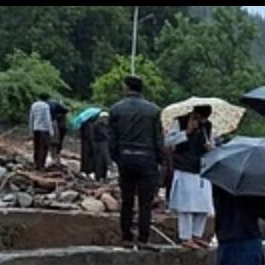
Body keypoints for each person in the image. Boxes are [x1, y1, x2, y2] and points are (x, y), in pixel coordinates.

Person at [109, 75, 164, 247]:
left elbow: (112, 139)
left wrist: (116, 158)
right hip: (147, 158)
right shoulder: (154, 111)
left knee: (127, 200)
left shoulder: (116, 109)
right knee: (145, 202)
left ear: (127, 87)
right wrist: (159, 161)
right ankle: (143, 238)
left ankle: (126, 236)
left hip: (125, 156)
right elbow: (158, 139)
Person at [169, 107, 215, 249]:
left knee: (203, 206)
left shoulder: (208, 126)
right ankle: (186, 237)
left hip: (201, 168)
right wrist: (186, 132)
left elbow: (214, 144)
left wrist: (210, 147)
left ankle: (197, 235)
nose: (202, 121)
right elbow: (168, 142)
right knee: (186, 207)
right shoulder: (179, 122)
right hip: (184, 168)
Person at [29, 93, 53, 171]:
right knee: (44, 147)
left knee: (37, 147)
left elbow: (31, 117)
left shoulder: (34, 105)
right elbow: (47, 119)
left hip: (36, 129)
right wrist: (51, 130)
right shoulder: (45, 106)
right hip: (44, 130)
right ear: (47, 99)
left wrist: (31, 128)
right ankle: (41, 165)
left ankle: (36, 163)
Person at [47, 99, 69, 166]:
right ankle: (56, 157)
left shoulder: (53, 115)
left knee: (53, 143)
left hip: (58, 128)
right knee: (58, 143)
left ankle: (54, 157)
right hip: (61, 128)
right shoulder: (63, 114)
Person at [91, 112, 111, 182]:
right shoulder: (98, 125)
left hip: (103, 144)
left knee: (104, 161)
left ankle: (103, 176)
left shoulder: (104, 125)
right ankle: (98, 176)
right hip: (99, 145)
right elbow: (105, 134)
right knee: (99, 161)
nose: (106, 119)